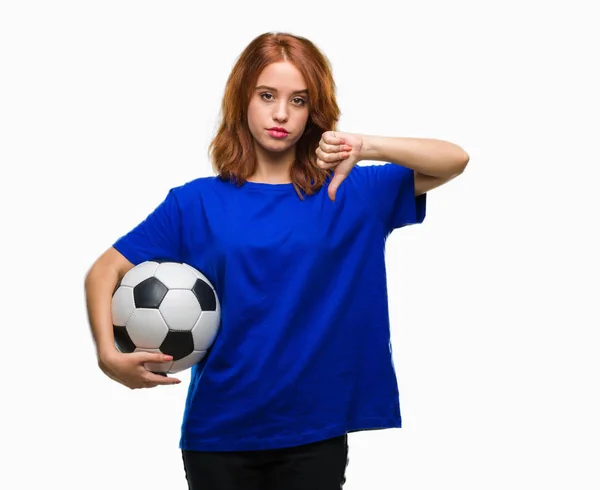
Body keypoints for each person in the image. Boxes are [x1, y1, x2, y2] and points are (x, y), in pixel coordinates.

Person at [85, 31, 469, 490]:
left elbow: (454, 159)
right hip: (218, 432)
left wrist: (364, 146)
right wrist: (109, 355)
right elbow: (104, 271)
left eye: (299, 100)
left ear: (314, 110)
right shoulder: (195, 203)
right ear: (243, 98)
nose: (282, 113)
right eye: (267, 96)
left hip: (315, 432)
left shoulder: (351, 192)